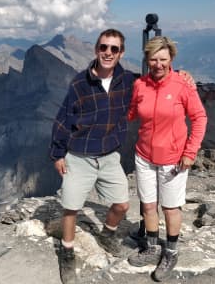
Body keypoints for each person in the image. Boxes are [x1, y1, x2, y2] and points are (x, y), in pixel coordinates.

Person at [50, 28, 135, 284]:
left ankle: (107, 234)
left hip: (109, 156)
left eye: (114, 49)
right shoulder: (80, 82)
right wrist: (58, 154)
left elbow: (156, 80)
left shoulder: (128, 80)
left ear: (121, 53)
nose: (108, 53)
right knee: (71, 208)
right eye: (104, 47)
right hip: (79, 156)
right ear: (96, 49)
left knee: (122, 205)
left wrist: (183, 78)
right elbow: (64, 119)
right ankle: (67, 252)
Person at [126, 36, 207, 282]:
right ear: (147, 59)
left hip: (173, 159)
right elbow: (130, 113)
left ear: (171, 58)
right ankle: (152, 247)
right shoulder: (140, 85)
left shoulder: (183, 85)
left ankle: (171, 252)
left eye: (163, 59)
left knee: (170, 208)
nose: (158, 64)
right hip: (144, 156)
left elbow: (200, 118)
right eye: (153, 59)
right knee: (148, 205)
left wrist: (190, 152)